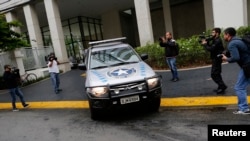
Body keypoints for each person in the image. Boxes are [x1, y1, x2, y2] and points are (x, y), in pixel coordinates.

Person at [221, 27, 250, 114]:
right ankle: (243, 108)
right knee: (240, 86)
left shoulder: (232, 43)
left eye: (224, 35)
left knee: (239, 87)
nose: (223, 36)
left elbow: (236, 57)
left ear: (228, 35)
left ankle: (244, 109)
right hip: (248, 65)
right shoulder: (239, 39)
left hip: (247, 66)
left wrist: (226, 59)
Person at [201, 28, 227, 94]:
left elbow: (211, 49)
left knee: (214, 74)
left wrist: (205, 44)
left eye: (213, 32)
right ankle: (220, 87)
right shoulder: (215, 39)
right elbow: (211, 47)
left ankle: (222, 86)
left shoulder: (217, 40)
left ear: (217, 33)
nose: (212, 34)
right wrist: (207, 41)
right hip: (215, 58)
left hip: (217, 59)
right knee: (217, 73)